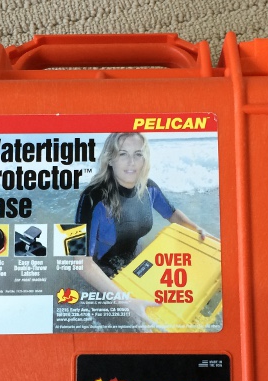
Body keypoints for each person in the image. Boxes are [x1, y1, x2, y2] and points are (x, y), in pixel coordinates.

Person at [75, 132, 205, 323]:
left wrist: (197, 229)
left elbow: (173, 214)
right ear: (110, 159)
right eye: (123, 154)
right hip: (99, 275)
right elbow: (80, 262)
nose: (132, 162)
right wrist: (126, 302)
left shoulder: (149, 187)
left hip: (135, 263)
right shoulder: (90, 197)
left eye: (138, 154)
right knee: (135, 325)